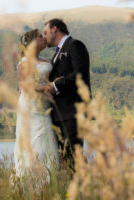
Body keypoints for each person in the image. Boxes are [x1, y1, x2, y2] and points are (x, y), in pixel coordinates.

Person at [43, 18, 91, 166]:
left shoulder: (75, 45)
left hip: (74, 112)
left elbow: (80, 74)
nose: (44, 37)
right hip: (59, 115)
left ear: (55, 29)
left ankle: (82, 188)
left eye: (45, 32)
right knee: (64, 159)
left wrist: (56, 85)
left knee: (74, 157)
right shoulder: (57, 53)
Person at [14, 29, 60, 178]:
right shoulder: (23, 63)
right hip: (29, 109)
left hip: (45, 108)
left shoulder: (47, 61)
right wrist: (48, 87)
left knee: (46, 143)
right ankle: (28, 180)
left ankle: (47, 181)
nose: (44, 38)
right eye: (41, 36)